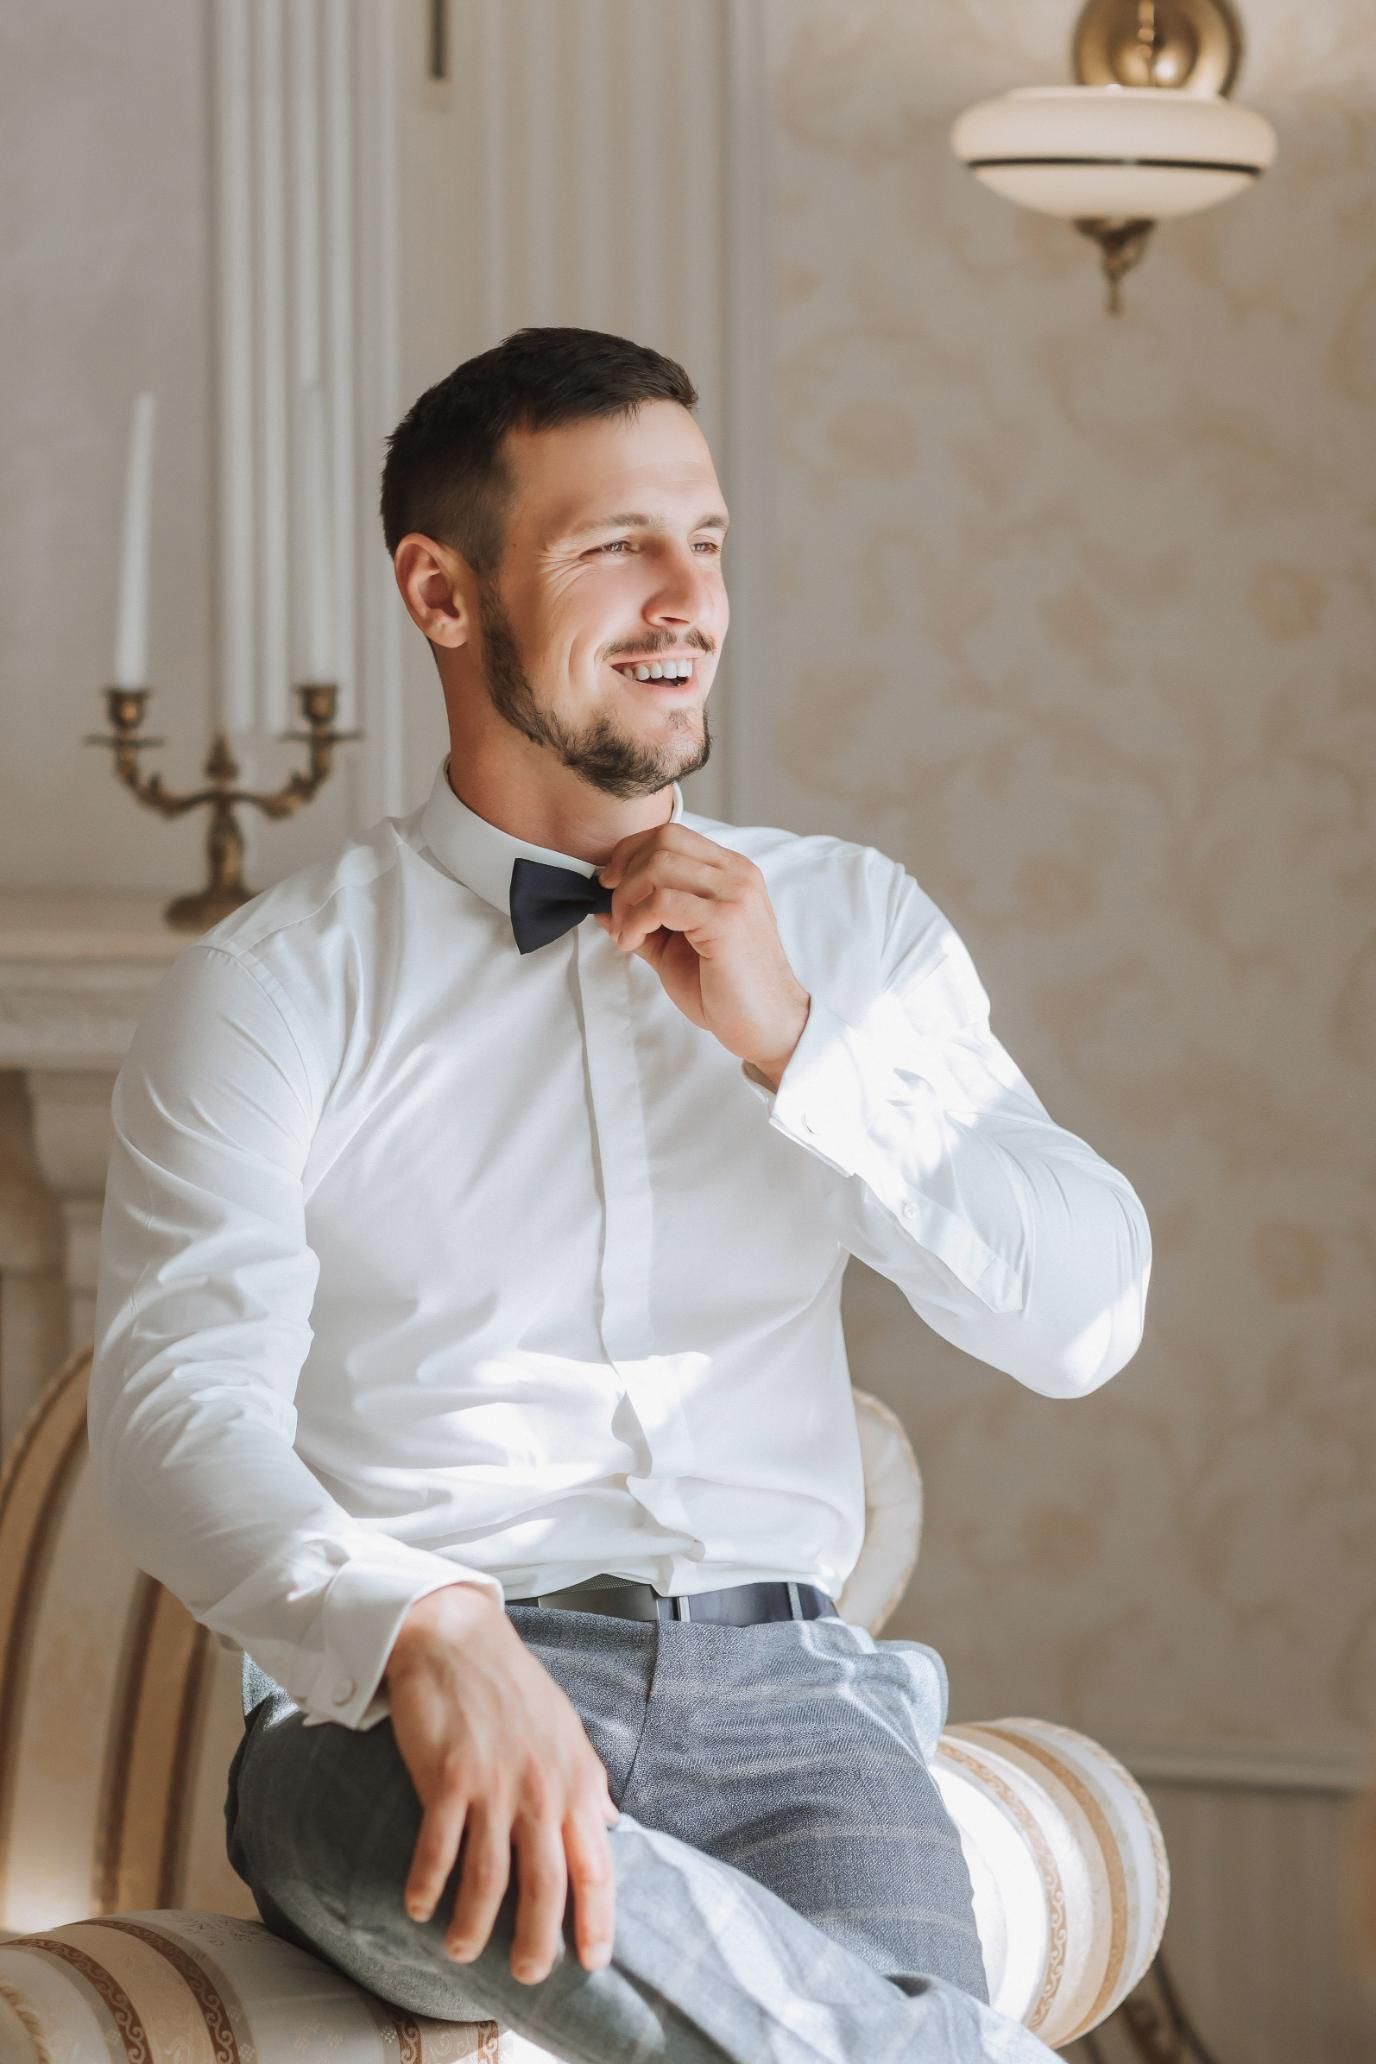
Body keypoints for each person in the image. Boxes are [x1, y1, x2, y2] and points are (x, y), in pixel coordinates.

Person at [88, 326, 1152, 2064]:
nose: (688, 601)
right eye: (615, 548)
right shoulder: (276, 987)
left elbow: (1090, 1317)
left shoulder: (852, 931)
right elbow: (167, 1410)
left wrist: (806, 1050)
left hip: (802, 1714)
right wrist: (418, 1626)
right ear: (442, 593)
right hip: (406, 1710)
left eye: (708, 541)